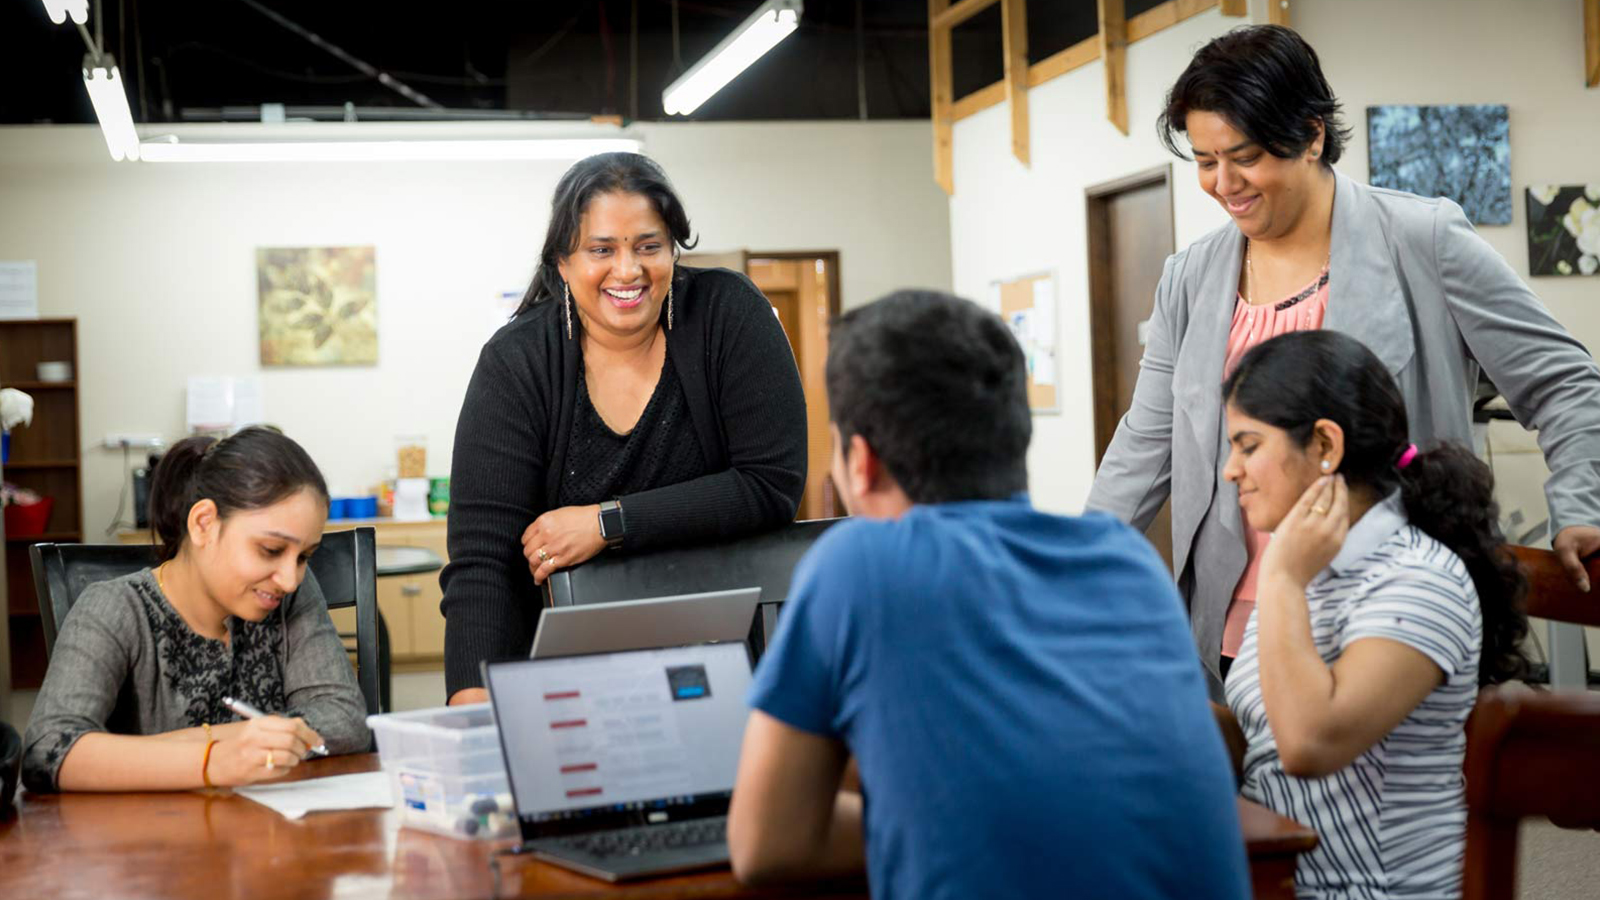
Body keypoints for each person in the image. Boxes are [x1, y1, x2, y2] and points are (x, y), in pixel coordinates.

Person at [1086, 24, 1600, 685]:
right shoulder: (1190, 277)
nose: (1223, 183)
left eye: (1243, 157)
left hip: (1395, 616)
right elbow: (1146, 441)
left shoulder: (1424, 239)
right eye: (1206, 162)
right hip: (1234, 622)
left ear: (1311, 135)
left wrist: (1581, 504)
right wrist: (1075, 562)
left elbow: (1565, 383)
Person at [728, 291, 1249, 900]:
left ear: (860, 463)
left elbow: (767, 845)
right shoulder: (1125, 559)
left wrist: (919, 819)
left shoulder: (858, 564)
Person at [441, 152, 807, 705]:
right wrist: (472, 706)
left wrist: (610, 523)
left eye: (648, 246)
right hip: (569, 679)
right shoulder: (516, 363)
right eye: (602, 250)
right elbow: (484, 560)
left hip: (729, 663)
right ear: (562, 262)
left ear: (673, 249)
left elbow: (770, 485)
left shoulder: (729, 315)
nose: (629, 270)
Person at [1219, 330, 1529, 899]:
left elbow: (1309, 744)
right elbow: (1266, 735)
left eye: (1248, 445)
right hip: (1277, 873)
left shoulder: (1418, 579)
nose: (1230, 470)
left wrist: (1281, 580)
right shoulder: (1307, 559)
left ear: (1324, 445)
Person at [21, 427, 369, 793]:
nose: (289, 579)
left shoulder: (291, 596)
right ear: (204, 524)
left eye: (304, 557)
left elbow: (345, 719)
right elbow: (47, 751)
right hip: (152, 841)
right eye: (270, 550)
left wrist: (203, 742)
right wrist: (216, 757)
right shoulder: (114, 608)